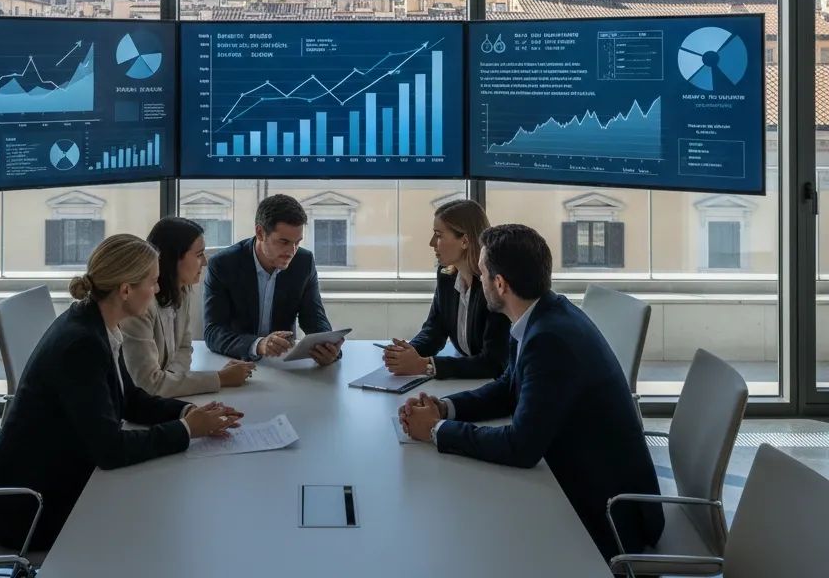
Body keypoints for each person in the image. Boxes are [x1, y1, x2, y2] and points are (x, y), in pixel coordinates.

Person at [399, 223, 664, 562]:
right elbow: (509, 389)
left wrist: (436, 431)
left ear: (500, 284)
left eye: (482, 273)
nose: (478, 281)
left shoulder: (549, 340)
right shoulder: (541, 315)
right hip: (578, 478)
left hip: (608, 515)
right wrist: (445, 407)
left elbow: (521, 447)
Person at [0, 233, 243, 552]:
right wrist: (188, 431)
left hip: (54, 479)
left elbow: (129, 399)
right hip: (28, 511)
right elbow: (110, 450)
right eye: (153, 282)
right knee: (160, 522)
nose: (158, 289)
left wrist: (185, 413)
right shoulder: (82, 345)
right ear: (126, 290)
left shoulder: (98, 322)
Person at [121, 217, 255, 396]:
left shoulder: (182, 290)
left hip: (160, 401)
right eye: (199, 255)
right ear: (173, 258)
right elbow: (147, 384)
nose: (205, 262)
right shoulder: (140, 305)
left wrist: (168, 380)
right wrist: (219, 378)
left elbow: (184, 349)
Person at [204, 194, 342, 364]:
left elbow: (314, 317)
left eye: (297, 242)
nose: (292, 251)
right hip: (233, 362)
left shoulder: (303, 262)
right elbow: (213, 331)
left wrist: (328, 347)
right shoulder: (224, 264)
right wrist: (258, 344)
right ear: (260, 233)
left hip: (282, 365)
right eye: (283, 242)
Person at [382, 199, 510, 380]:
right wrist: (406, 353)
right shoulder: (446, 277)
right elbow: (435, 330)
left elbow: (493, 363)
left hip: (496, 387)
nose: (432, 243)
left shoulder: (493, 286)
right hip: (467, 382)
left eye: (438, 235)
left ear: (465, 240)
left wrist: (425, 365)